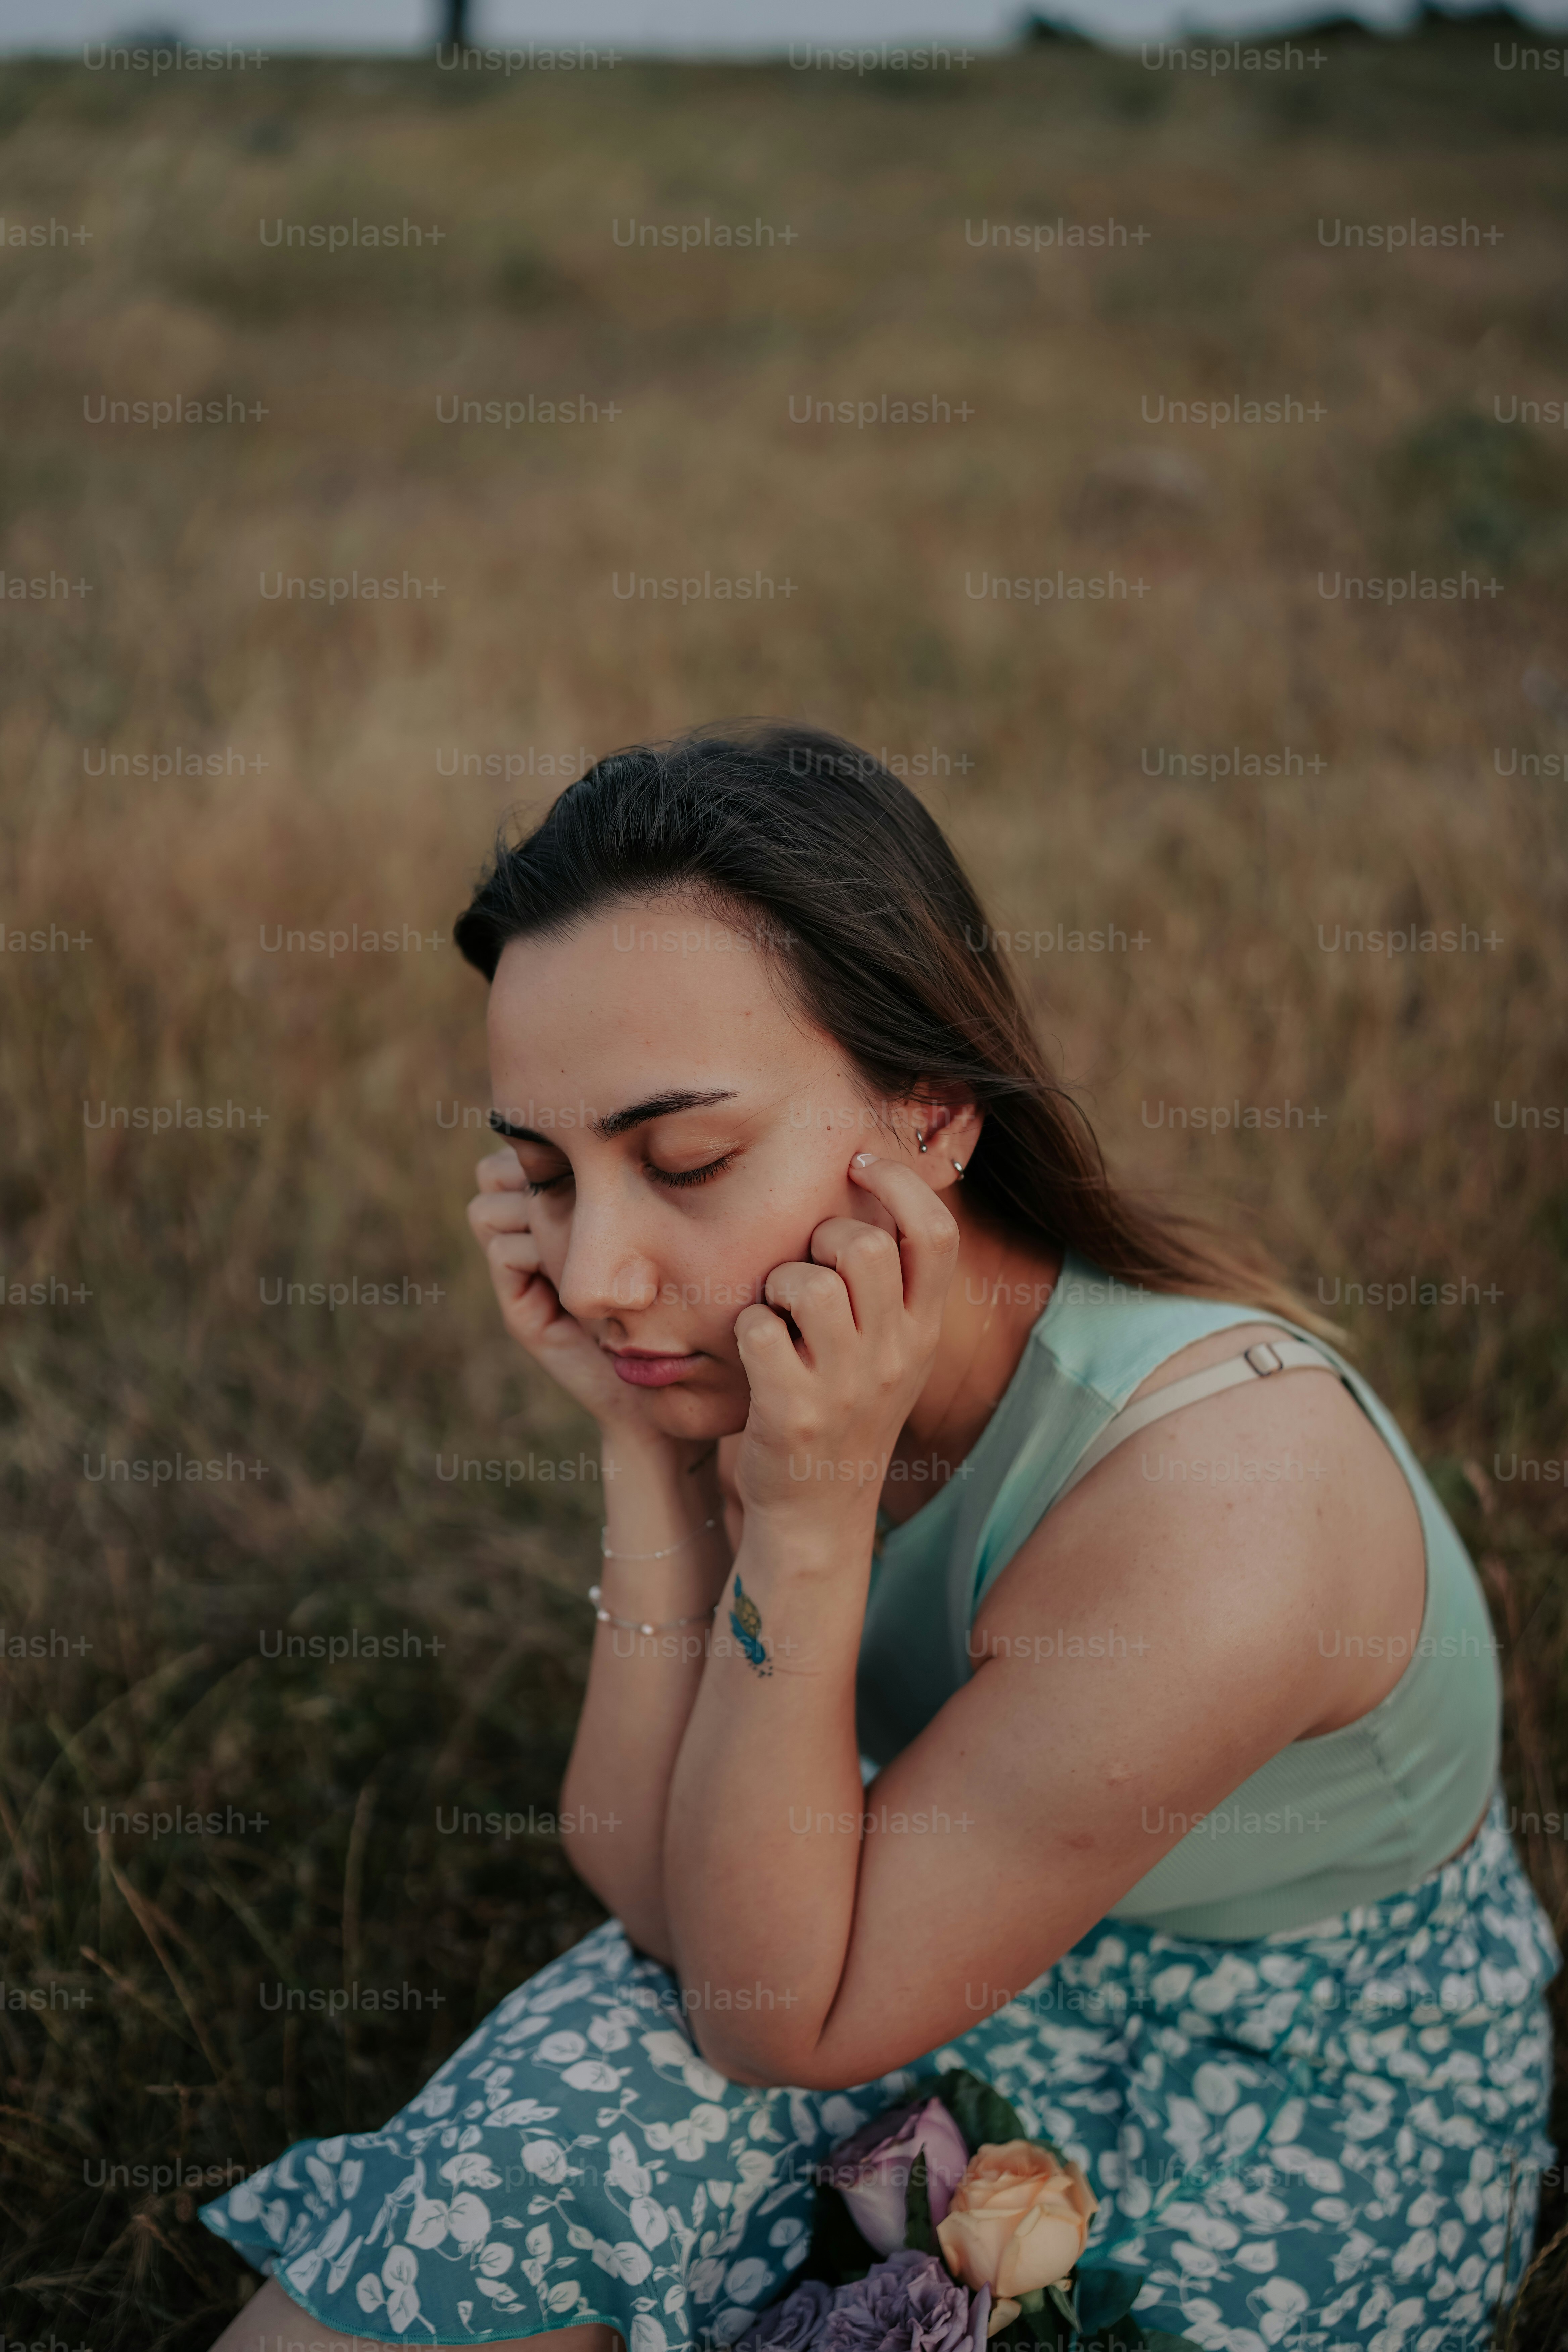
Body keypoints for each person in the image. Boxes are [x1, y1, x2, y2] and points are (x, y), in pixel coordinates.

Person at [203, 724, 1559, 2352]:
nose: (600, 1272)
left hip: (1275, 2062)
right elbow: (657, 1896)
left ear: (928, 1119)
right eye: (546, 1174)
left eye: (685, 1159)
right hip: (874, 1904)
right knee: (503, 2190)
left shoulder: (1220, 1507)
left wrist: (804, 1516)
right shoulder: (774, 1359)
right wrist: (650, 1449)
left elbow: (780, 2018)